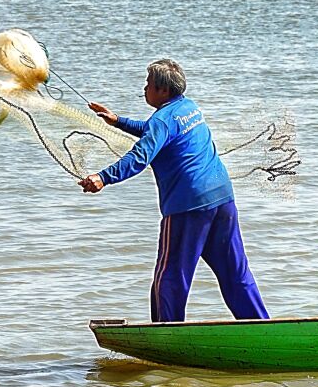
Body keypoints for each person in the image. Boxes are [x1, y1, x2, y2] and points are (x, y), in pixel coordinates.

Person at [78, 59, 269, 323]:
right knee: (236, 273)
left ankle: (166, 332)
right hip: (222, 198)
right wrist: (118, 121)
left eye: (148, 85)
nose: (144, 89)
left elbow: (140, 156)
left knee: (169, 277)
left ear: (163, 91)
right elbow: (157, 131)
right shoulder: (189, 108)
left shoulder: (162, 120)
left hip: (187, 207)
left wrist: (103, 177)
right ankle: (260, 325)